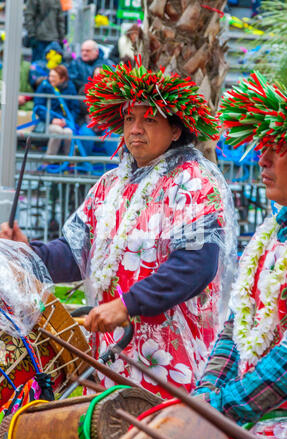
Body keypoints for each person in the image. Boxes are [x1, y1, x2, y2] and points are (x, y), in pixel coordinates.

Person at [0, 60, 237, 398]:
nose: (135, 129)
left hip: (175, 365)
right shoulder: (109, 184)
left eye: (149, 119)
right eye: (129, 118)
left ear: (175, 130)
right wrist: (24, 251)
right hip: (111, 360)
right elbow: (72, 253)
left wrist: (127, 305)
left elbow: (196, 265)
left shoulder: (195, 181)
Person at [193, 71, 287, 439]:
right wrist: (206, 392)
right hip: (249, 421)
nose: (262, 158)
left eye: (278, 146)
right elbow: (237, 326)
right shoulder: (272, 232)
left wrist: (220, 405)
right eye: (262, 145)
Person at [33, 64, 79, 156]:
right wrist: (52, 120)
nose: (51, 79)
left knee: (68, 133)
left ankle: (70, 162)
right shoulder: (44, 86)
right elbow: (38, 107)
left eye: (54, 77)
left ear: (62, 78)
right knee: (57, 131)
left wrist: (66, 121)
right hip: (48, 122)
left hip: (65, 122)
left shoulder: (70, 88)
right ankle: (49, 160)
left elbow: (75, 108)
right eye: (50, 76)